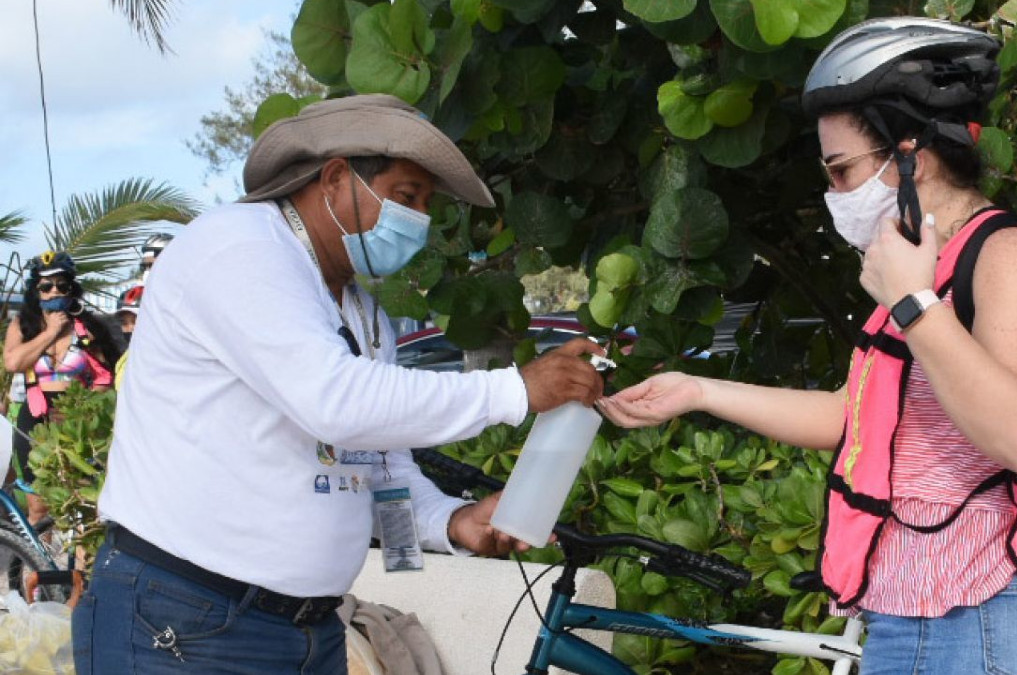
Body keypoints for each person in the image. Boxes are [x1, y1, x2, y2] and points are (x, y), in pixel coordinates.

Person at [600, 18, 1017, 675]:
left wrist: (914, 305)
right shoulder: (921, 270)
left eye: (843, 170)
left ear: (911, 151)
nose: (834, 196)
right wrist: (697, 391)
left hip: (982, 617)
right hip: (913, 615)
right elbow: (854, 418)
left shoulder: (1007, 256)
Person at [73, 94, 605, 674]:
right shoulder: (240, 247)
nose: (420, 221)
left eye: (427, 205)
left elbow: (379, 467)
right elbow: (337, 404)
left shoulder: (361, 312)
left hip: (309, 631)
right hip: (184, 624)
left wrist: (450, 523)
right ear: (333, 178)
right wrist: (515, 392)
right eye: (406, 197)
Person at [3, 251, 121, 526]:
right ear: (36, 291)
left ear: (72, 288)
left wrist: (85, 409)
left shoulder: (87, 328)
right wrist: (50, 333)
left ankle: (79, 566)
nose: (54, 290)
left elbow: (106, 377)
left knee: (81, 502)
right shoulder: (24, 325)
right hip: (36, 415)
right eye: (46, 286)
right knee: (38, 506)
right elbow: (13, 362)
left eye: (61, 285)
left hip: (76, 416)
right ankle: (37, 565)